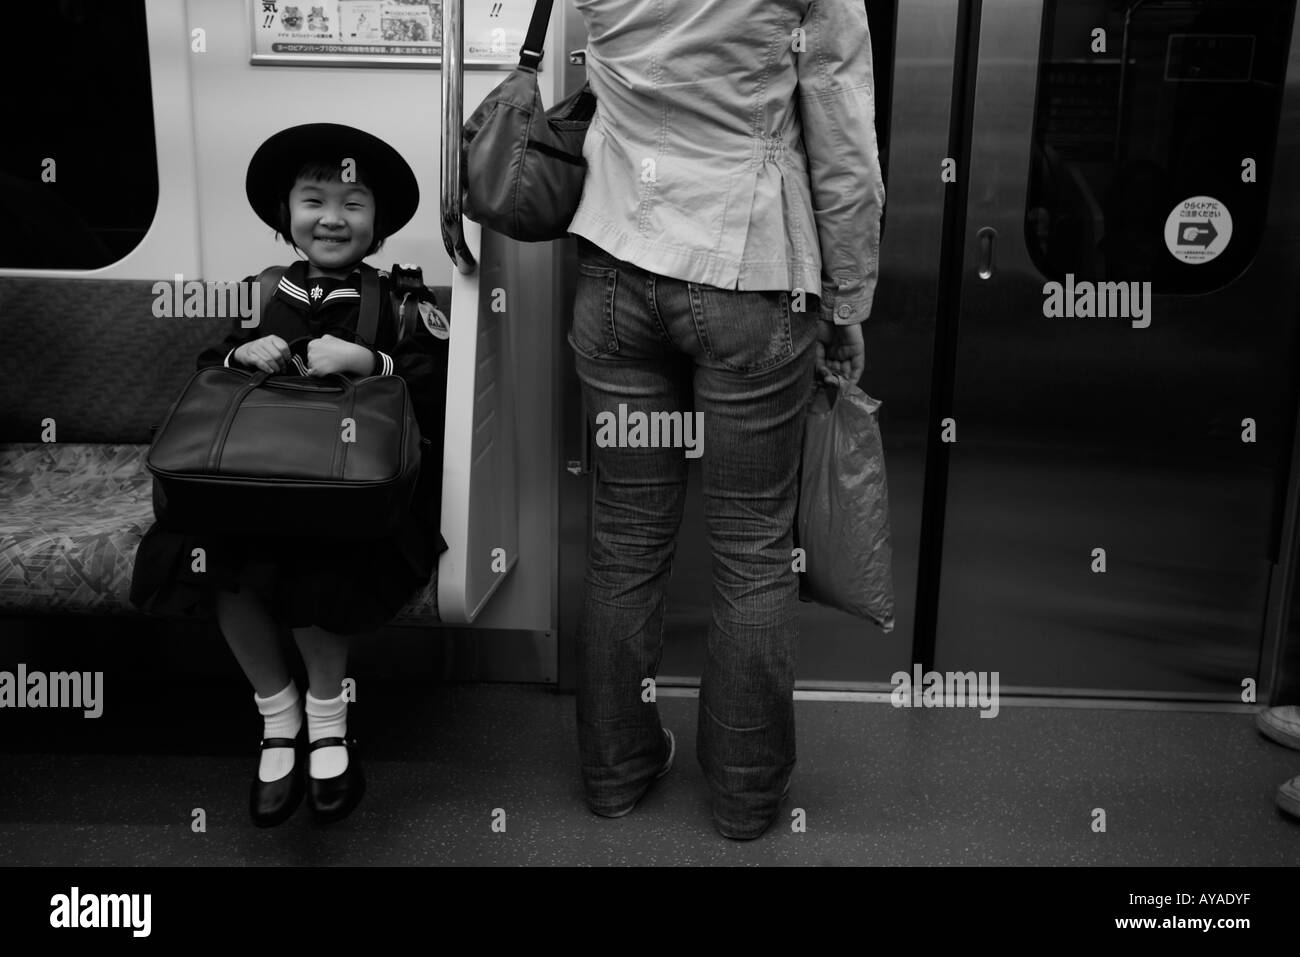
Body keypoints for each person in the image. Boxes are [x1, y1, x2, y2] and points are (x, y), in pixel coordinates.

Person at [566, 0, 884, 839]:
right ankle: (744, 796)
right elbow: (843, 135)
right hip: (749, 269)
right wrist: (848, 296)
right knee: (752, 549)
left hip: (614, 266)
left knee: (624, 541)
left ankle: (615, 770)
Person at [130, 123, 450, 827]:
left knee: (316, 555)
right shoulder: (259, 293)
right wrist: (241, 358)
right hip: (254, 483)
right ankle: (278, 712)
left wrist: (374, 365)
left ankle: (329, 717)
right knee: (210, 553)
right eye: (314, 199)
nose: (332, 216)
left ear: (378, 224)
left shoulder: (401, 299)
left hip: (354, 493)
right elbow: (205, 383)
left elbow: (434, 397)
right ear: (288, 215)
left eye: (353, 202)